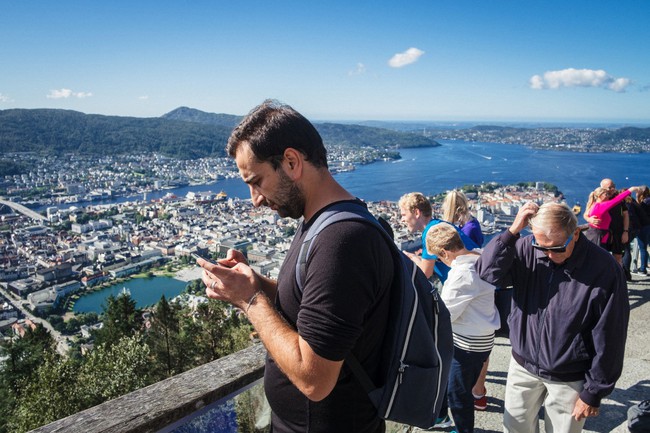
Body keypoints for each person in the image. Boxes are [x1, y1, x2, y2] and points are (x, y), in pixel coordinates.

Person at [197, 100, 395, 433]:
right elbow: (307, 306)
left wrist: (249, 301)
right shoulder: (323, 223)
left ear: (291, 162)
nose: (254, 199)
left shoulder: (342, 241)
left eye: (256, 181)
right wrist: (253, 283)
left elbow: (314, 379)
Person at [476, 201, 629, 433]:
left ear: (576, 233)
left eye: (557, 248)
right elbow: (487, 273)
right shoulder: (528, 247)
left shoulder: (604, 269)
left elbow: (611, 335)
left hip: (570, 374)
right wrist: (511, 233)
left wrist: (593, 392)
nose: (548, 254)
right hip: (523, 364)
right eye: (542, 247)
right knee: (513, 428)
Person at [424, 223, 500, 433]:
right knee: (457, 388)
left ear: (445, 252)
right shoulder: (480, 257)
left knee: (457, 394)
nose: (441, 261)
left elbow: (444, 315)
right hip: (481, 338)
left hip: (468, 344)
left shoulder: (462, 275)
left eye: (439, 258)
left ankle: (463, 430)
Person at [441, 189, 491, 411]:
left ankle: (477, 391)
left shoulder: (464, 230)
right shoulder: (471, 224)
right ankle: (478, 390)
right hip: (477, 285)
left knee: (473, 350)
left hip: (468, 285)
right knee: (481, 350)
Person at [398, 192, 478, 283]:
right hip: (476, 278)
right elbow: (429, 263)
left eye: (404, 215)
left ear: (416, 213)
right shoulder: (439, 225)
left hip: (467, 285)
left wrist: (412, 258)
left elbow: (425, 273)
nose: (402, 220)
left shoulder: (432, 232)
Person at [584, 178, 630, 264]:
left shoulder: (619, 198)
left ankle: (618, 276)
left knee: (618, 256)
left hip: (617, 231)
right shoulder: (598, 197)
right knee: (602, 257)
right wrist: (589, 219)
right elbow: (586, 213)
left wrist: (625, 231)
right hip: (602, 233)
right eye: (609, 187)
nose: (612, 189)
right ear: (602, 188)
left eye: (614, 186)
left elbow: (626, 215)